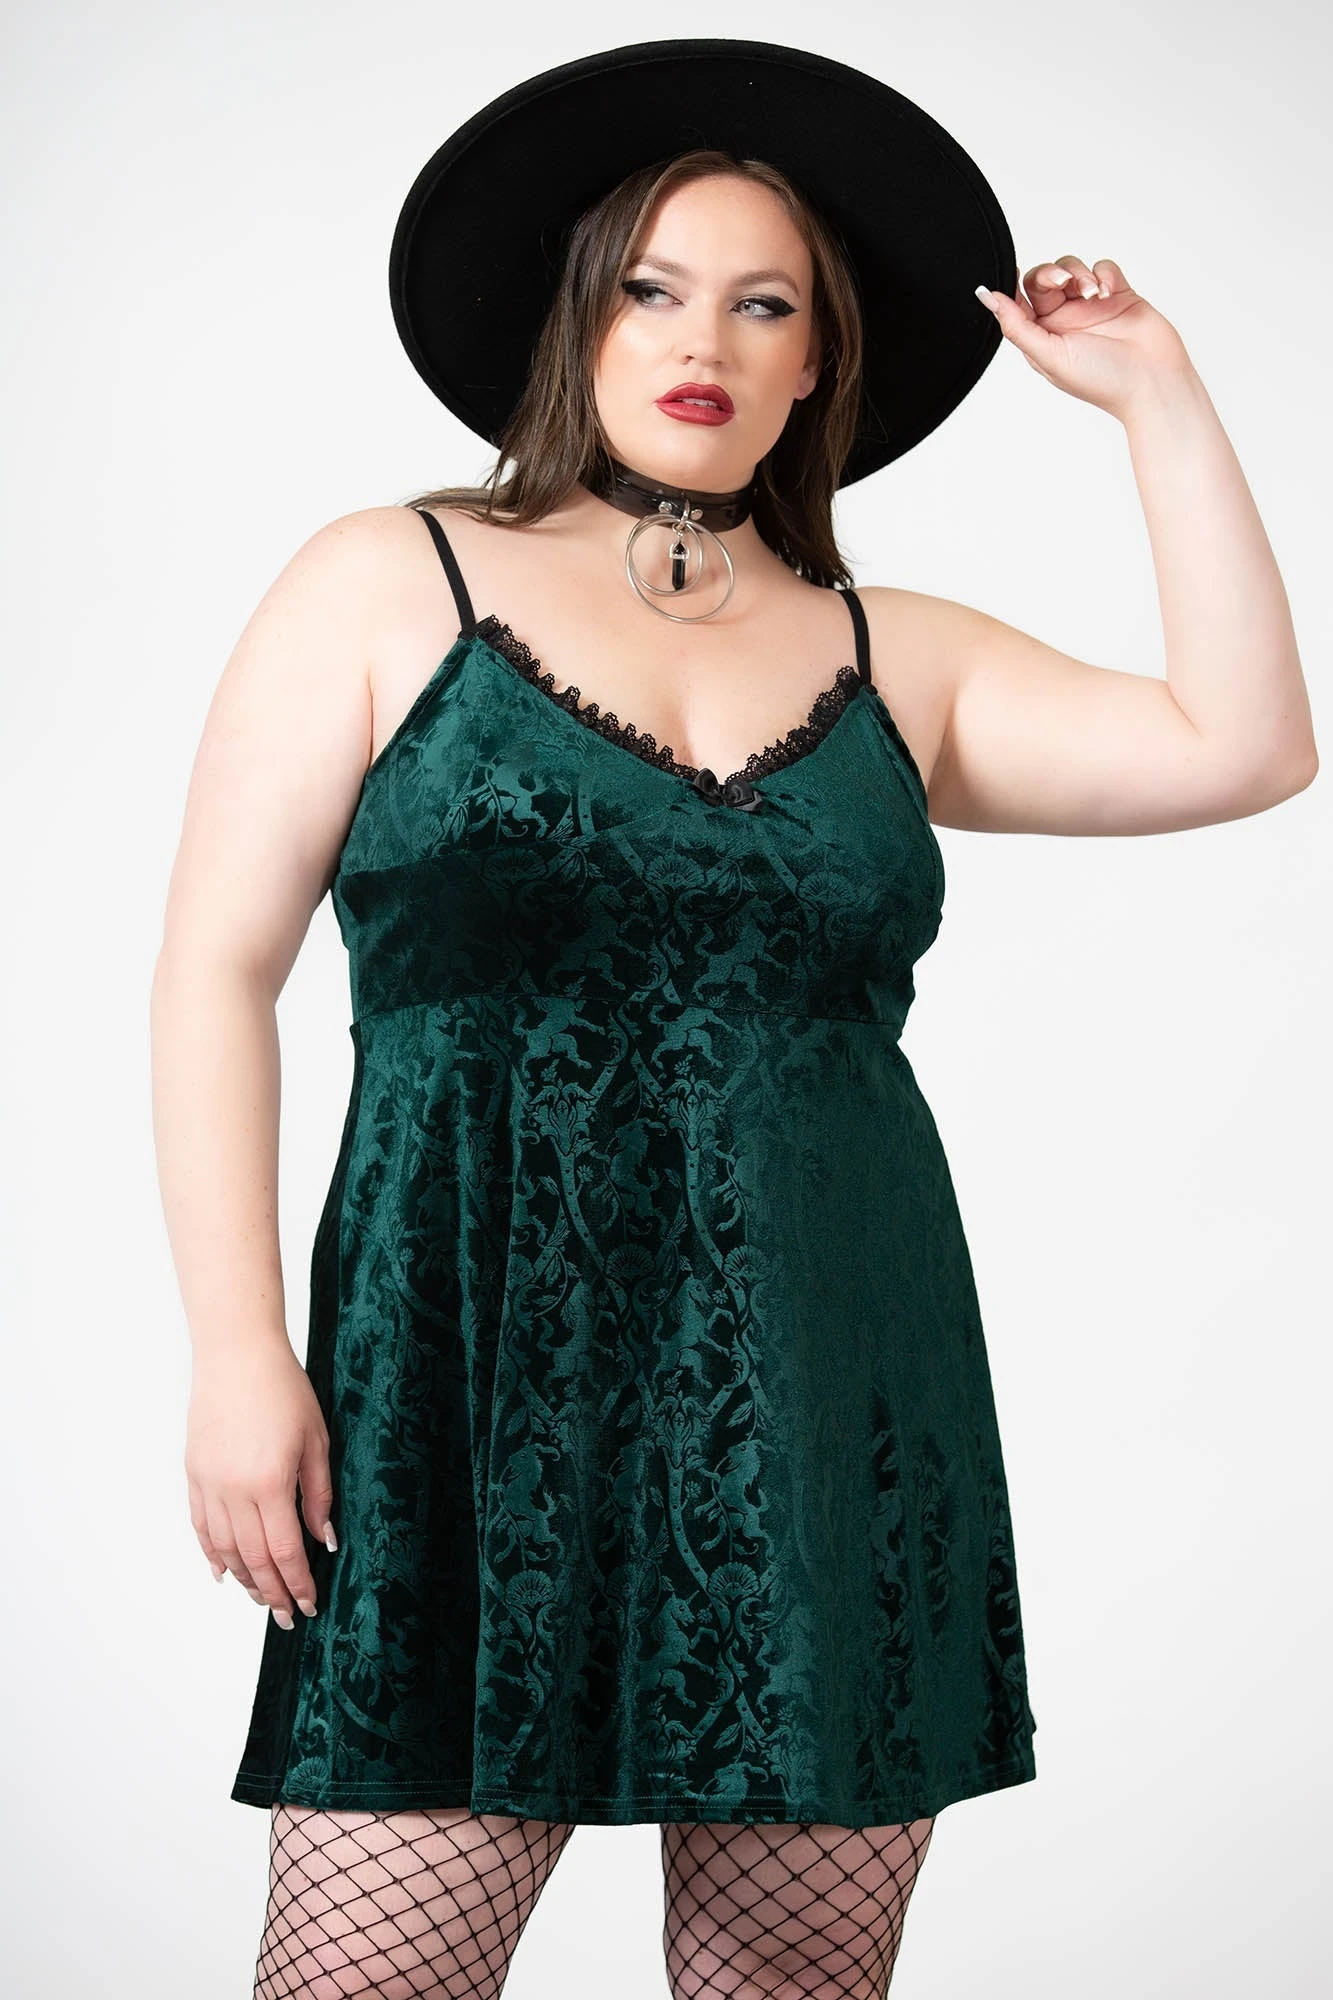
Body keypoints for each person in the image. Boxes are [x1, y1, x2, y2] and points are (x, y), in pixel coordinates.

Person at [150, 38, 1317, 2000]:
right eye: (654, 288)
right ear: (579, 318)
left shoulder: (896, 653)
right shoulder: (387, 578)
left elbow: (1248, 742)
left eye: (764, 304)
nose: (705, 339)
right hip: (462, 1368)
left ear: (816, 359)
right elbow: (212, 969)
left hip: (824, 1379)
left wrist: (1160, 401)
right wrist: (236, 1353)